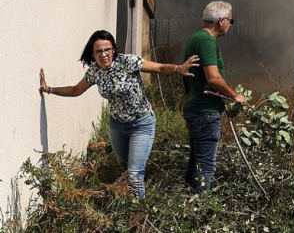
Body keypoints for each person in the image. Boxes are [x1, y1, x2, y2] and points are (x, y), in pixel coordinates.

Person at [39, 29, 200, 198]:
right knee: (125, 167)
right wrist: (49, 89)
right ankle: (137, 191)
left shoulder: (128, 62)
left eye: (107, 49)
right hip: (117, 125)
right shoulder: (94, 72)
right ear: (93, 54)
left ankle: (139, 213)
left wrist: (178, 68)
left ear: (114, 50)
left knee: (134, 174)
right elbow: (75, 90)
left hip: (141, 123)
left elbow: (159, 68)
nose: (104, 54)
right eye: (99, 51)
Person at [182, 0, 246, 194]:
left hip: (196, 107)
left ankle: (189, 202)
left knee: (196, 161)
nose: (230, 25)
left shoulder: (197, 37)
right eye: (230, 20)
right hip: (204, 111)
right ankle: (201, 209)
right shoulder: (207, 41)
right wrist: (236, 96)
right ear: (221, 21)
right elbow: (213, 78)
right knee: (206, 166)